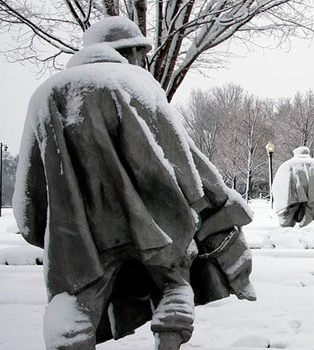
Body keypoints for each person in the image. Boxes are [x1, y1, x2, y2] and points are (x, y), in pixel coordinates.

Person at [14, 16, 255, 350]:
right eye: (140, 53)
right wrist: (216, 196)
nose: (142, 60)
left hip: (79, 235)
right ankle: (169, 339)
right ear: (126, 51)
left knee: (74, 306)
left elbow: (28, 193)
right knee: (174, 283)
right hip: (156, 226)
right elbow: (181, 156)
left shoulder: (45, 96)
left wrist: (51, 233)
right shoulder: (137, 85)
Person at [272, 146, 314, 227]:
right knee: (308, 215)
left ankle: (286, 233)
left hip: (292, 196)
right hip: (310, 196)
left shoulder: (287, 164)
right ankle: (304, 230)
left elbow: (279, 182)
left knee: (287, 219)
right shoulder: (312, 163)